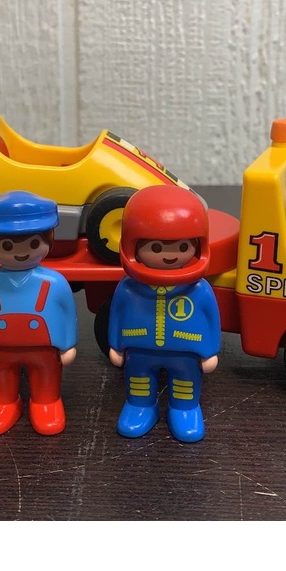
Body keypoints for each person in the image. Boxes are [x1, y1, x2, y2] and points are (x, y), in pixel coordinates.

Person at [108, 185, 221, 443]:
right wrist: (115, 345)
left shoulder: (199, 289)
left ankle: (185, 409)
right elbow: (117, 314)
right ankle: (140, 406)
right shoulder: (128, 288)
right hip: (139, 348)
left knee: (185, 384)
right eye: (156, 248)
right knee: (138, 382)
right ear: (132, 245)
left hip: (186, 351)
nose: (169, 256)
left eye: (182, 247)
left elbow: (211, 319)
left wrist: (210, 351)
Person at [0, 191, 77, 436]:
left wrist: (68, 344)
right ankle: (2, 404)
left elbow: (68, 313)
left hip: (44, 348)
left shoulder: (55, 282)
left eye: (34, 243)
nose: (21, 251)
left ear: (49, 240)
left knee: (46, 379)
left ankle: (46, 403)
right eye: (7, 245)